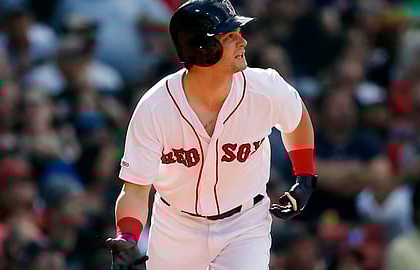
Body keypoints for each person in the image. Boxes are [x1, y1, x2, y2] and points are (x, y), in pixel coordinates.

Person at [106, 1, 318, 269]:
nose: (243, 42)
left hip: (245, 222)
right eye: (231, 36)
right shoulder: (155, 107)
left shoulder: (265, 88)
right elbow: (135, 189)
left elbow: (297, 118)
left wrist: (305, 177)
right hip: (176, 225)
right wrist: (127, 238)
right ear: (204, 49)